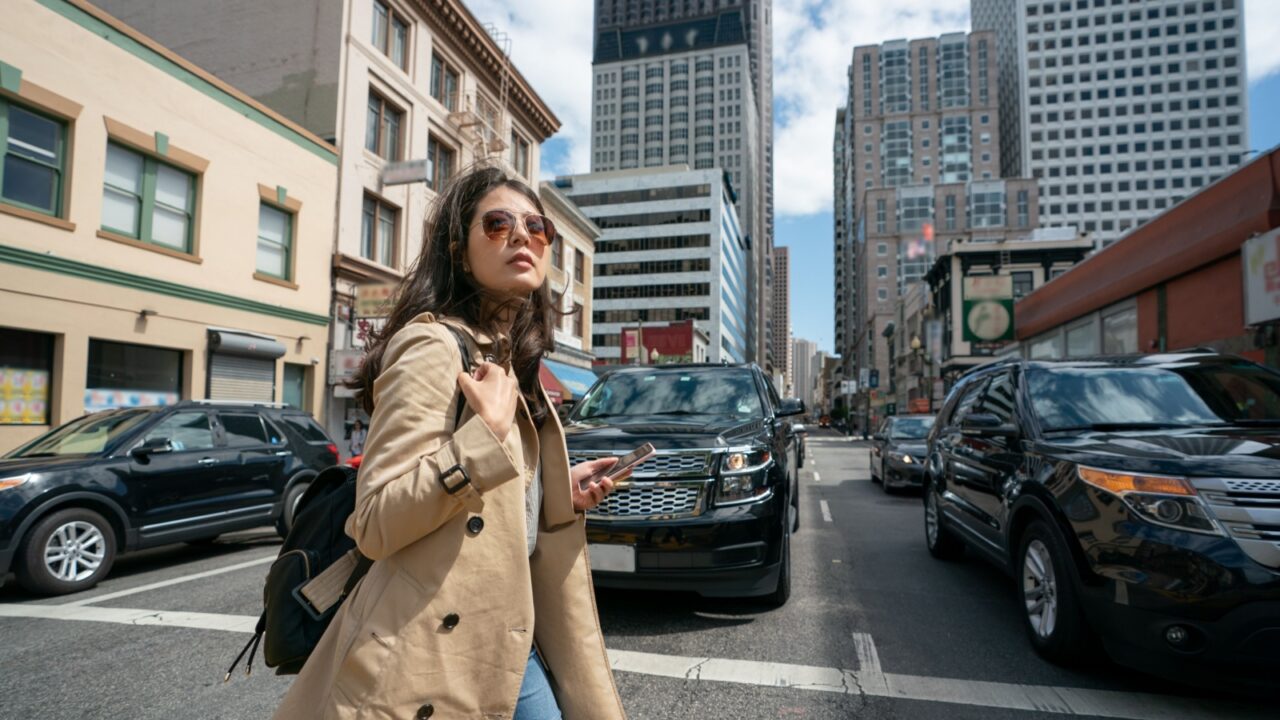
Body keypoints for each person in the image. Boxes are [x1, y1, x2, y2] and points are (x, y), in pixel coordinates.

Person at [272, 166, 628, 720]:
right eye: (497, 224)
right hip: (436, 647)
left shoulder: (510, 355)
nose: (521, 236)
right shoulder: (432, 345)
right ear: (460, 254)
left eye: (537, 228)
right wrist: (480, 441)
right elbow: (373, 522)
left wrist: (555, 494)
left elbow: (492, 505)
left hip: (508, 627)